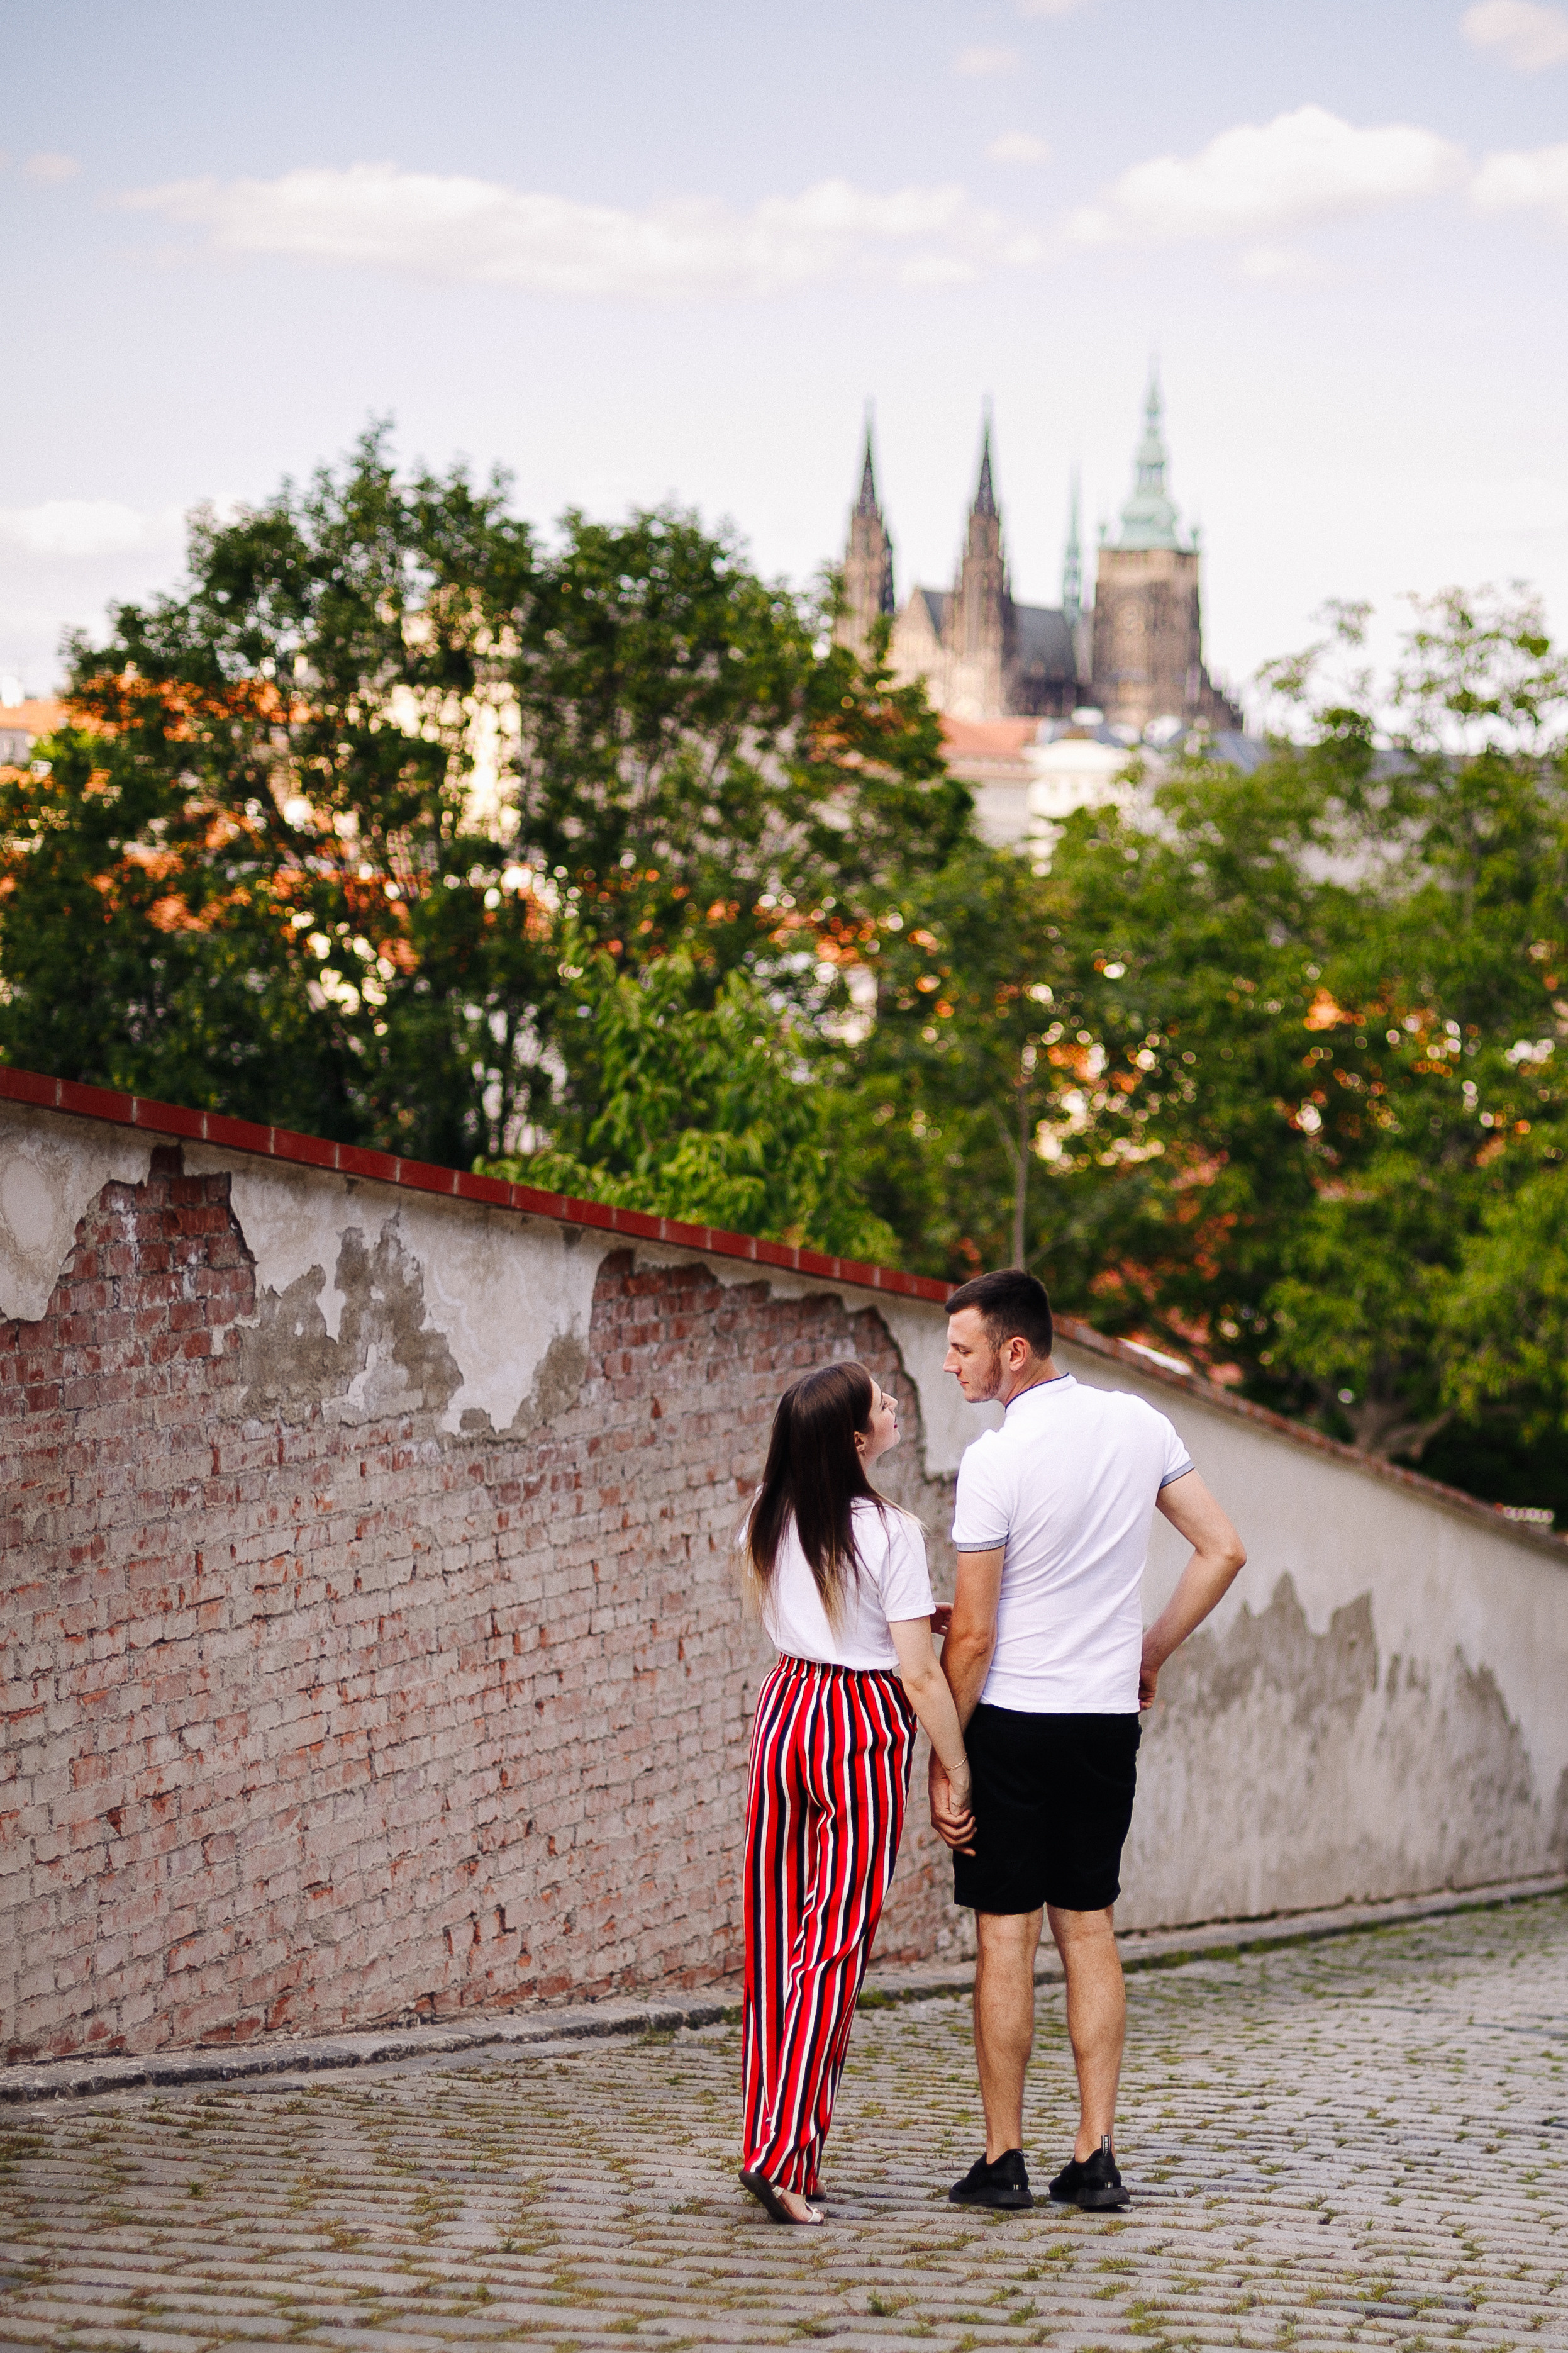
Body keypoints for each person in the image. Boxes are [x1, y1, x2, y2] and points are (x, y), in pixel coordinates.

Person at [930, 1269, 1245, 2215]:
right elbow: (1221, 1548)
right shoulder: (1138, 1423)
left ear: (1012, 1350)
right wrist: (1147, 1651)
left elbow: (976, 1637)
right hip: (1104, 1722)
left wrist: (949, 1758)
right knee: (1088, 1926)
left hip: (1016, 1723)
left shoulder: (995, 1461)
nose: (949, 1364)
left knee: (1004, 1937)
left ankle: (1002, 2160)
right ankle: (1095, 2154)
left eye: (962, 1348)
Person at [737, 1360, 974, 2227]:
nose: (892, 1405)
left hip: (784, 1708)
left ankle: (780, 2146)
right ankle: (780, 2157)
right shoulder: (891, 1531)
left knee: (773, 1939)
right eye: (880, 1401)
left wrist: (911, 1611)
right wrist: (957, 1763)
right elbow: (915, 1673)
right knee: (831, 1944)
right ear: (854, 1438)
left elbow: (827, 1611)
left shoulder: (768, 1513)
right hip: (857, 1725)